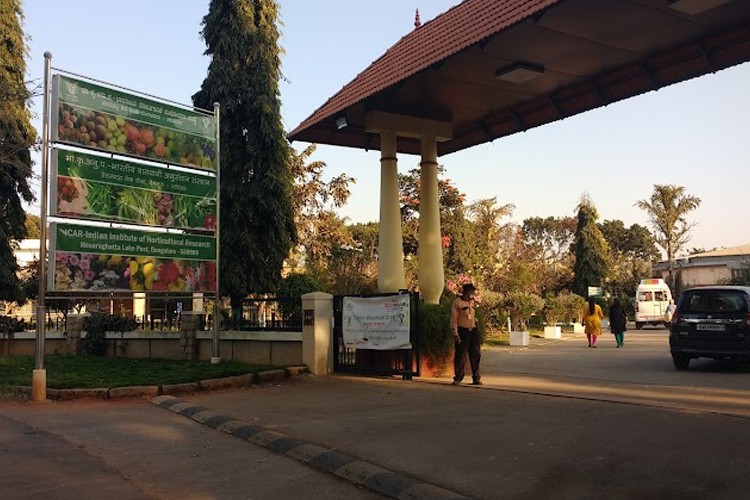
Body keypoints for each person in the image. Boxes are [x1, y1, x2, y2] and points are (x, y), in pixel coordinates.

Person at [450, 283, 481, 385]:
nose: (472, 294)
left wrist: (476, 322)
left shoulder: (472, 303)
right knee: (461, 355)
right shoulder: (457, 303)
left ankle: (476, 377)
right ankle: (458, 377)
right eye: (470, 292)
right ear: (465, 292)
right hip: (462, 331)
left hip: (473, 331)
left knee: (475, 354)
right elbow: (454, 319)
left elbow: (472, 315)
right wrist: (455, 333)